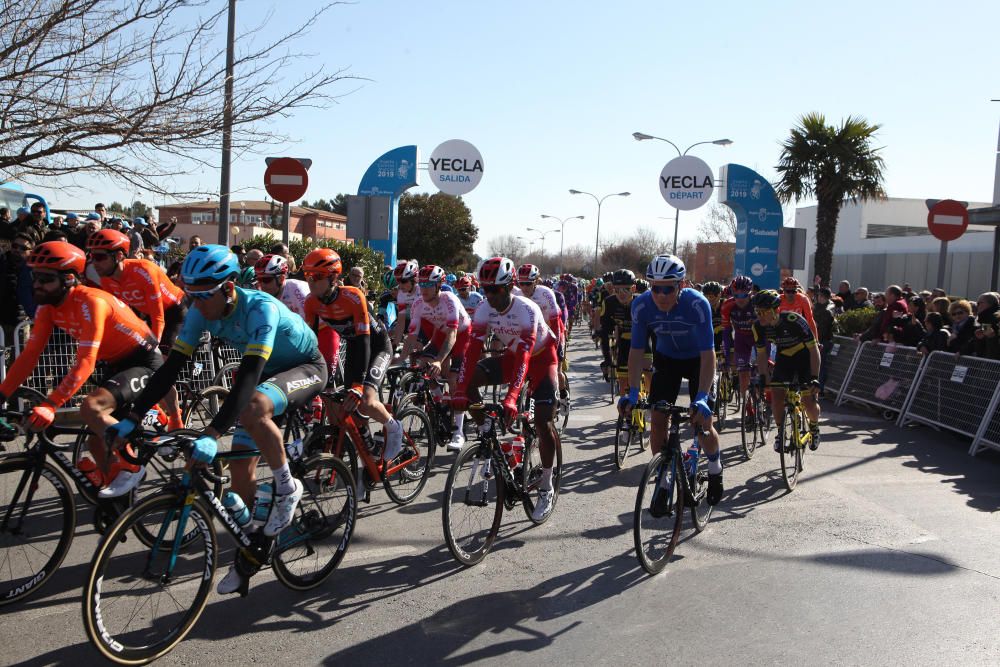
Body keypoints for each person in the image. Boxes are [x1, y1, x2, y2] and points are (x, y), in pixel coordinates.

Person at [107, 244, 326, 594]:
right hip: (266, 373)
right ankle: (255, 547)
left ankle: (287, 487)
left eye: (203, 296)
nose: (197, 305)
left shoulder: (261, 310)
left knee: (253, 406)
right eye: (191, 295)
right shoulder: (199, 310)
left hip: (304, 367)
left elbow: (251, 375)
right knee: (241, 473)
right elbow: (170, 372)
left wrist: (211, 432)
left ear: (228, 288)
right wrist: (133, 416)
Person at [0, 241, 169, 497]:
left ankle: (133, 467)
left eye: (45, 278)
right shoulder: (48, 308)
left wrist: (52, 404)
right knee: (95, 442)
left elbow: (86, 361)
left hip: (144, 361)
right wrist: (1, 397)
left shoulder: (92, 302)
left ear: (69, 278)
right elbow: (29, 356)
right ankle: (116, 498)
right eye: (35, 276)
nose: (36, 284)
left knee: (91, 408)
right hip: (115, 364)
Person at [451, 257, 561, 521]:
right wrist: (459, 390)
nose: (490, 296)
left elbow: (526, 356)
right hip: (513, 357)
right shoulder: (483, 308)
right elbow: (472, 352)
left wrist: (512, 397)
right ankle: (485, 429)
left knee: (544, 423)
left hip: (542, 358)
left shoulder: (527, 309)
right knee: (468, 383)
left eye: (496, 290)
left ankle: (546, 485)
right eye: (486, 289)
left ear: (510, 286)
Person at [623, 254, 723, 511]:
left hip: (697, 360)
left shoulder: (697, 304)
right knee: (657, 420)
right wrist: (633, 392)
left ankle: (714, 466)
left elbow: (708, 353)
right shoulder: (642, 306)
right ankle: (664, 477)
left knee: (702, 424)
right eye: (655, 287)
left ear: (682, 285)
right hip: (667, 360)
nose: (661, 294)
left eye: (668, 288)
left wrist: (702, 395)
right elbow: (635, 351)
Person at [301, 248, 402, 481]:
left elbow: (365, 341)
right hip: (354, 347)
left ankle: (392, 426)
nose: (310, 282)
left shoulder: (353, 296)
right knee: (341, 408)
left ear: (333, 277)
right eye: (307, 276)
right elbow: (311, 342)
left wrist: (358, 384)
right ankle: (367, 441)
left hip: (376, 347)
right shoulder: (311, 303)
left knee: (364, 400)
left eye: (316, 277)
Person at [400, 264, 472, 449]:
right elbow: (412, 336)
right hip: (441, 333)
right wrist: (398, 358)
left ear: (438, 286)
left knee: (453, 379)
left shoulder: (449, 300)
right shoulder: (417, 304)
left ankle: (458, 431)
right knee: (424, 365)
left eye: (428, 285)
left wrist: (440, 360)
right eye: (421, 285)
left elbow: (453, 335)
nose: (423, 289)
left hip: (461, 334)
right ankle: (439, 399)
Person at [87, 229, 187, 357]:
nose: (94, 263)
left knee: (163, 355)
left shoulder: (144, 271)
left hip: (175, 311)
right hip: (150, 315)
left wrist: (154, 347)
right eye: (91, 256)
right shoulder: (106, 279)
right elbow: (120, 314)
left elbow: (158, 317)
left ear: (119, 256)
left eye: (100, 257)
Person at [752, 290, 822, 452]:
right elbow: (762, 355)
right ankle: (780, 432)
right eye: (757, 312)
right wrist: (764, 377)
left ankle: (814, 426)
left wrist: (814, 377)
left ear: (775, 310)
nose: (759, 316)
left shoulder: (794, 320)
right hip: (785, 359)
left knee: (809, 403)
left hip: (805, 358)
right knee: (776, 397)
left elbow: (814, 351)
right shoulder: (758, 327)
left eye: (763, 312)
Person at [599, 269, 652, 412]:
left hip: (643, 343)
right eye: (617, 290)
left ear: (633, 288)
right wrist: (607, 359)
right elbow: (604, 333)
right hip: (624, 343)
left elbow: (654, 331)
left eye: (626, 289)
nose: (621, 293)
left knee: (648, 370)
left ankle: (651, 399)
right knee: (623, 383)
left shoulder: (643, 302)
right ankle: (626, 416)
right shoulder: (609, 302)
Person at [721, 275, 758, 409]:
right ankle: (747, 406)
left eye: (744, 295)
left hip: (757, 338)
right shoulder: (727, 306)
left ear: (750, 293)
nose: (740, 299)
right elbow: (726, 332)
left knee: (762, 370)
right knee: (742, 373)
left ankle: (764, 400)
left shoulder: (757, 304)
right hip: (741, 338)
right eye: (736, 295)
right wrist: (727, 356)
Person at [0, 233, 36, 343]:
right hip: (1, 324)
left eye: (23, 248)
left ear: (31, 251)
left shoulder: (34, 271)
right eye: (15, 246)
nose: (18, 250)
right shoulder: (2, 264)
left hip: (21, 323)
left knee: (21, 357)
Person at [254, 253, 309, 319]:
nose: (262, 284)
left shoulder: (298, 292)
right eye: (259, 279)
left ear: (281, 279)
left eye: (266, 280)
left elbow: (311, 326)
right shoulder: (259, 292)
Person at [390, 259, 420, 348]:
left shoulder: (422, 291)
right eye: (398, 281)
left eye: (403, 281)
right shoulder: (402, 293)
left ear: (414, 279)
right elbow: (401, 321)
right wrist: (395, 343)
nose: (400, 285)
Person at [813, 287, 835, 394]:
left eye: (820, 296)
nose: (818, 297)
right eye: (818, 295)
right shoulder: (818, 307)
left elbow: (822, 329)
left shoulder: (827, 310)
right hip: (817, 340)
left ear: (824, 297)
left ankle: (819, 388)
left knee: (820, 365)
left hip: (822, 341)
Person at [973, 292, 1000, 360]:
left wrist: (992, 337)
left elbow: (992, 339)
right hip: (987, 363)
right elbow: (982, 345)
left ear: (990, 304)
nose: (977, 306)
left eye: (979, 303)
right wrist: (979, 339)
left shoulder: (993, 318)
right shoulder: (984, 319)